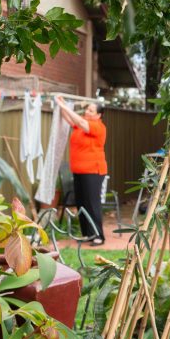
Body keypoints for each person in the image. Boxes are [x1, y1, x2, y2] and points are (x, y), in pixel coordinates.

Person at [56, 96, 108, 245]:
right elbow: (69, 119)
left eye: (91, 110)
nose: (87, 111)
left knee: (92, 203)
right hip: (79, 171)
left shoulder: (98, 127)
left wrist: (64, 106)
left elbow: (79, 121)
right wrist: (61, 105)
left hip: (93, 171)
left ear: (98, 115)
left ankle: (98, 236)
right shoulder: (80, 127)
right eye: (87, 109)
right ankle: (88, 234)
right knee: (82, 203)